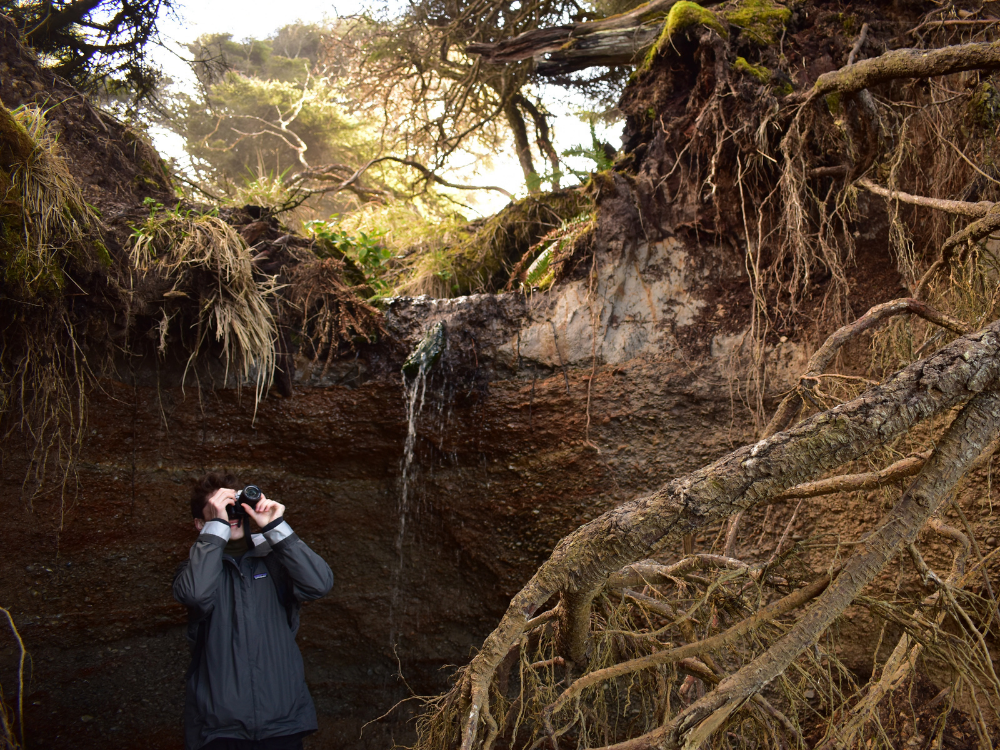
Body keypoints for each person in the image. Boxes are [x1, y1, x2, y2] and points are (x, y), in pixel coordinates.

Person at [173, 471, 334, 750]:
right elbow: (195, 594)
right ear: (200, 523)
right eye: (218, 509)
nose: (230, 514)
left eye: (233, 507)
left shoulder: (276, 562)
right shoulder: (192, 572)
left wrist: (276, 527)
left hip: (283, 724)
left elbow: (319, 584)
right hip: (219, 731)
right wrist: (217, 526)